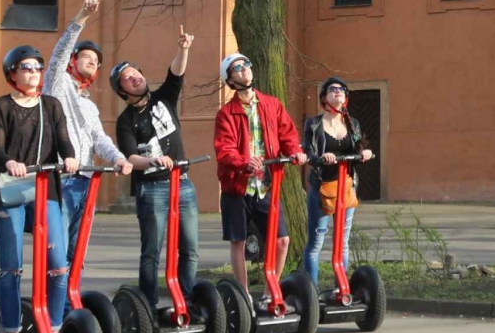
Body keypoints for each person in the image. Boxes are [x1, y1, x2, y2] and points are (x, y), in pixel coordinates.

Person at [0, 45, 79, 333]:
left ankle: (53, 331)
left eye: (38, 67)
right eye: (26, 67)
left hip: (44, 186)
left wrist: (71, 157)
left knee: (59, 265)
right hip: (10, 188)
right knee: (12, 266)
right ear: (12, 73)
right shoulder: (2, 106)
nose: (34, 72)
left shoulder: (51, 105)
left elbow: (63, 140)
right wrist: (8, 161)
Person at [42, 0, 134, 266]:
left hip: (86, 180)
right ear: (73, 61)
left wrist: (118, 158)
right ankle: (54, 303)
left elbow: (99, 138)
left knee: (78, 250)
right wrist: (82, 16)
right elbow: (58, 55)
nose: (93, 61)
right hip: (62, 179)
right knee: (58, 251)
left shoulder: (89, 105)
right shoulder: (57, 86)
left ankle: (72, 301)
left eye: (96, 59)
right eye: (86, 56)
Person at [111, 26, 196, 309]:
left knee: (190, 249)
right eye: (128, 78)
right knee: (152, 252)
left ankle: (185, 300)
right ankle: (146, 308)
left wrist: (183, 48)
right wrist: (153, 161)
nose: (136, 78)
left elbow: (176, 75)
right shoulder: (125, 121)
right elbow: (131, 158)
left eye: (137, 73)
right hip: (153, 188)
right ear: (122, 91)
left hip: (182, 183)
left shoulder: (163, 99)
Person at [211, 53, 306, 298]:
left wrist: (295, 152)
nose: (245, 70)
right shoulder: (226, 113)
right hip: (238, 187)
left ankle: (268, 292)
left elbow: (287, 134)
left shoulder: (271, 104)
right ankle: (243, 296)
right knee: (239, 242)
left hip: (266, 185)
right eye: (238, 68)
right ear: (229, 79)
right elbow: (224, 149)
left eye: (247, 65)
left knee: (282, 241)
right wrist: (244, 162)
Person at [300, 77, 373, 283]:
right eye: (333, 89)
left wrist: (364, 153)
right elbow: (309, 153)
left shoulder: (353, 124)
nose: (338, 91)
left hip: (346, 188)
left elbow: (357, 151)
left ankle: (341, 288)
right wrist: (322, 159)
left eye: (342, 89)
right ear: (324, 97)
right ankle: (311, 293)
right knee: (316, 243)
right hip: (322, 189)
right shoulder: (314, 124)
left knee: (343, 243)